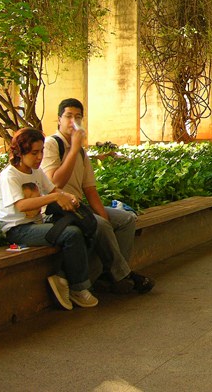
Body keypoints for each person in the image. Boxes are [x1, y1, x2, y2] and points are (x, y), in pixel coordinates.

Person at [42, 98, 154, 295]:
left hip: (78, 207)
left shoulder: (81, 152)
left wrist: (103, 215)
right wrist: (73, 149)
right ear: (59, 119)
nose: (73, 121)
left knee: (125, 220)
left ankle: (109, 275)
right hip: (57, 210)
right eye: (68, 116)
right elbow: (55, 183)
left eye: (78, 117)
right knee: (100, 225)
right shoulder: (51, 144)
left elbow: (90, 189)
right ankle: (123, 275)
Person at [0, 128, 98, 310]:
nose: (39, 157)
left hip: (37, 224)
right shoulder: (10, 176)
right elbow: (21, 205)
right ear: (20, 152)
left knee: (86, 227)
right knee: (72, 234)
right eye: (34, 153)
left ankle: (62, 277)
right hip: (18, 230)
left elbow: (53, 190)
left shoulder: (35, 172)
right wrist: (55, 197)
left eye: (42, 151)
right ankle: (78, 288)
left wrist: (68, 196)